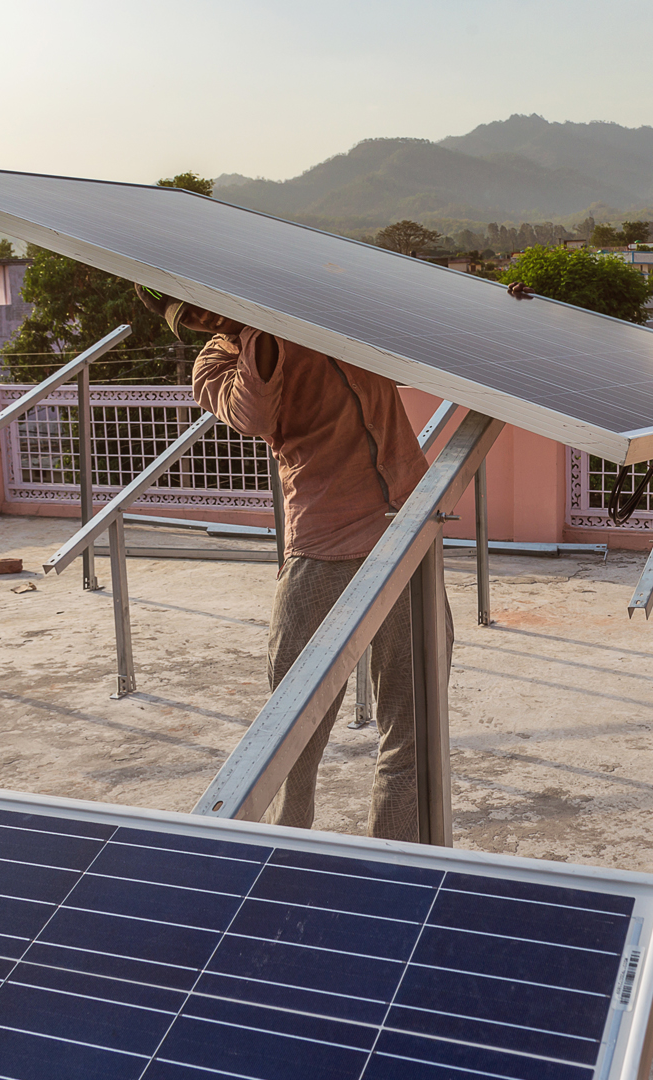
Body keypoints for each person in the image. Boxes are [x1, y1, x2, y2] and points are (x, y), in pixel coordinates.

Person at [138, 287, 439, 841]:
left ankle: (391, 863)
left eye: (199, 304)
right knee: (290, 735)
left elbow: (418, 329)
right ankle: (286, 856)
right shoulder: (217, 363)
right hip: (324, 547)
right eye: (189, 320)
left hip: (408, 531)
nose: (203, 319)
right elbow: (251, 414)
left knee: (412, 730)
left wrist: (501, 311)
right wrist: (256, 333)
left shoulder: (324, 311)